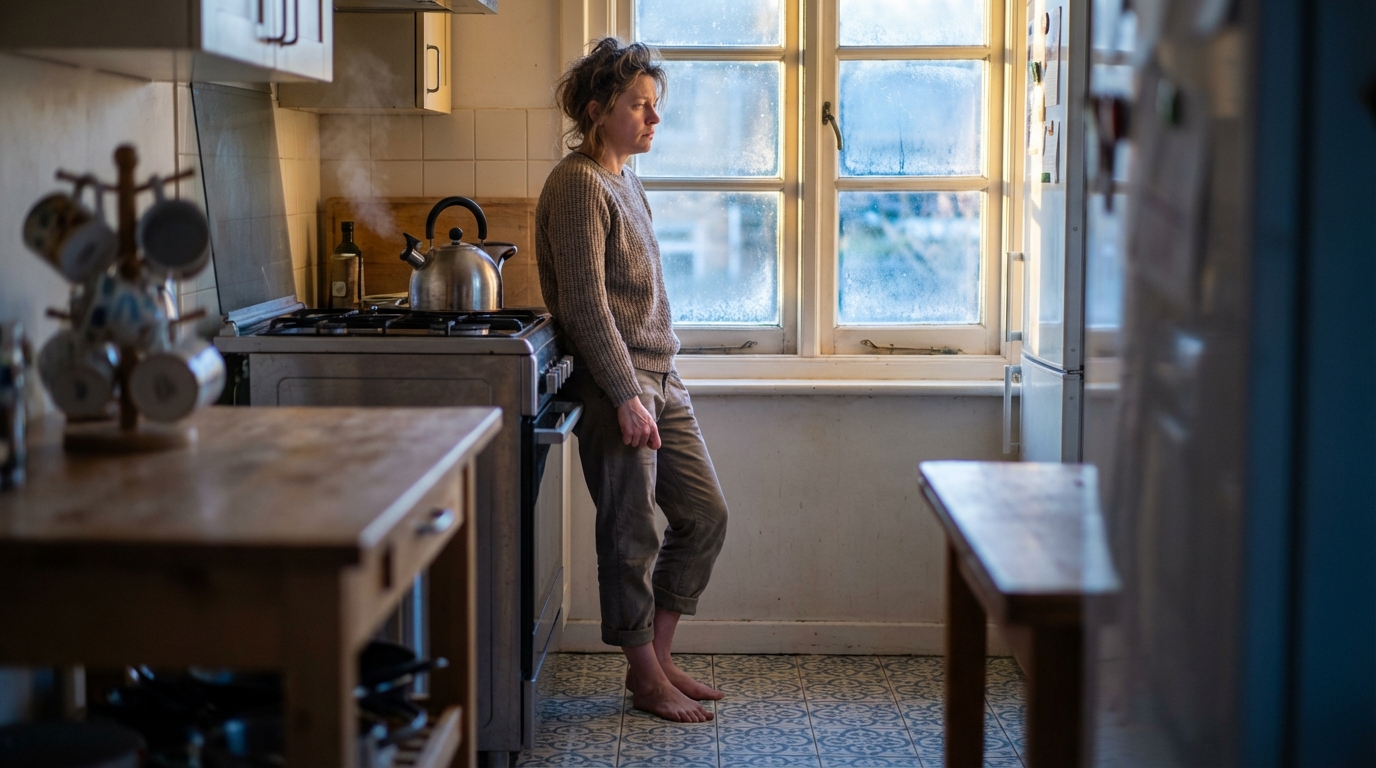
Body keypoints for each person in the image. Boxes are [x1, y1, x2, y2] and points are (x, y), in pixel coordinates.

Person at [535, 38, 730, 724]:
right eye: (639, 105)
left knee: (704, 516)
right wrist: (624, 395)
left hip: (658, 375)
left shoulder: (623, 178)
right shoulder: (578, 184)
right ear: (597, 111)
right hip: (616, 382)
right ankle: (645, 678)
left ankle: (658, 660)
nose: (654, 119)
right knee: (629, 533)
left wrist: (653, 383)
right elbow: (586, 305)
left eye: (656, 106)